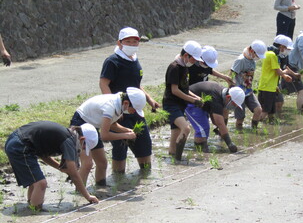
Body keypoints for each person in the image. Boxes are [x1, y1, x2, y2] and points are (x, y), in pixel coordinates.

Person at [99, 27, 160, 174]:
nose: (132, 44)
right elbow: (103, 83)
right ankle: (118, 178)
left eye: (135, 42)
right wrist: (113, 107)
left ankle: (145, 175)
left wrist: (149, 99)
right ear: (119, 43)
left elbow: (136, 85)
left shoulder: (135, 60)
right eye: (128, 41)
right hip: (120, 111)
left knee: (144, 143)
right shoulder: (112, 61)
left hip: (136, 110)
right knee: (120, 147)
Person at [4, 121, 99, 211]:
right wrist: (87, 196)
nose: (81, 150)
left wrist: (59, 167)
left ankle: (31, 205)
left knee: (35, 182)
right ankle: (34, 211)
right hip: (19, 146)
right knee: (41, 183)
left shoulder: (64, 135)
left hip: (15, 141)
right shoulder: (70, 140)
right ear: (82, 139)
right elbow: (73, 173)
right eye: (83, 147)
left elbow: (43, 155)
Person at [71, 87, 146, 185]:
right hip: (80, 124)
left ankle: (100, 188)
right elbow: (105, 135)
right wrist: (126, 135)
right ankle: (80, 194)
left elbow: (112, 124)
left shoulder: (120, 102)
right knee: (87, 164)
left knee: (102, 163)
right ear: (127, 103)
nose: (134, 112)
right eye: (134, 109)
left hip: (93, 126)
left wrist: (127, 130)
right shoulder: (110, 106)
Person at [162, 40, 204, 160]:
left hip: (180, 104)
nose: (194, 61)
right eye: (193, 59)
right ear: (186, 55)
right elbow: (175, 90)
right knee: (185, 128)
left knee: (176, 132)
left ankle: (173, 155)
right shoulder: (174, 67)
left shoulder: (184, 67)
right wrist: (192, 100)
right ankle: (179, 159)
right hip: (171, 104)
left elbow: (184, 88)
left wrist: (196, 97)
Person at [186, 82, 245, 153]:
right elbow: (220, 123)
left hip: (201, 103)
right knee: (202, 130)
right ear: (228, 97)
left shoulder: (222, 94)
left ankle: (201, 148)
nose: (233, 107)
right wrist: (230, 144)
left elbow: (215, 119)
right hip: (190, 101)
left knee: (205, 128)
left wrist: (221, 130)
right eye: (233, 104)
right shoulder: (217, 99)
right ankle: (200, 153)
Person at [230, 40, 266, 130]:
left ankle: (254, 130)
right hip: (239, 92)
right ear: (252, 51)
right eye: (257, 55)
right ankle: (239, 132)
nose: (258, 57)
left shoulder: (252, 61)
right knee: (240, 117)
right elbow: (232, 74)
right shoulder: (241, 60)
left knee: (258, 110)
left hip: (248, 91)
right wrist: (232, 89)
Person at [258, 35, 294, 123]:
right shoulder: (272, 55)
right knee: (265, 110)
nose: (286, 51)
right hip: (268, 87)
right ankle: (256, 124)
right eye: (286, 48)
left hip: (270, 86)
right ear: (281, 46)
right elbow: (277, 70)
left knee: (271, 110)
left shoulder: (270, 53)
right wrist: (285, 76)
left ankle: (271, 123)